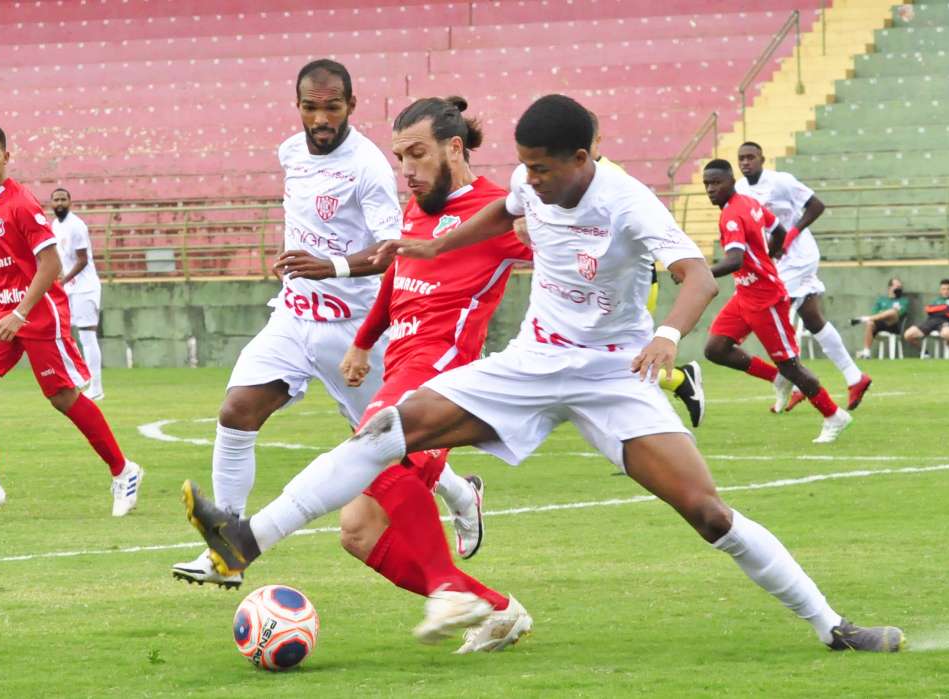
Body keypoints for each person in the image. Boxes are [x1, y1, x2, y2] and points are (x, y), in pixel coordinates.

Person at [181, 96, 902, 654]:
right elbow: (504, 209)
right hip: (530, 363)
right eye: (524, 165)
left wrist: (666, 335)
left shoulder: (625, 200)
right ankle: (247, 539)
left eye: (544, 167)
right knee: (385, 430)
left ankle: (833, 625)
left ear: (584, 157)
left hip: (612, 376)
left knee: (708, 512)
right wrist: (434, 246)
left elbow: (693, 275)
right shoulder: (533, 184)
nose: (530, 179)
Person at [171, 60, 481, 589]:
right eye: (310, 107)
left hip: (356, 329)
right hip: (294, 315)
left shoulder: (369, 166)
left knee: (392, 448)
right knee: (236, 411)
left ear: (351, 107)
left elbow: (392, 250)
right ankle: (223, 544)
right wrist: (299, 267)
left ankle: (460, 493)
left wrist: (329, 266)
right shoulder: (290, 153)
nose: (320, 118)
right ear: (297, 106)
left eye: (331, 107)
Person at [333, 95, 534, 648]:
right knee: (357, 532)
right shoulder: (418, 207)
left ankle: (449, 577)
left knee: (369, 453)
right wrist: (363, 341)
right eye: (400, 158)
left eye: (416, 155)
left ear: (453, 147)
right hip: (398, 368)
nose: (406, 171)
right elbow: (397, 276)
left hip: (441, 378)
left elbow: (565, 255)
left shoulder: (500, 210)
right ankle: (500, 609)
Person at [0, 122, 142, 516]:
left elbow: (50, 265)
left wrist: (20, 314)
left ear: (6, 157)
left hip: (38, 309)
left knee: (61, 396)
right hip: (2, 306)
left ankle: (124, 471)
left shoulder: (22, 203)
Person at [514, 109, 705, 427]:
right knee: (605, 362)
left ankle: (646, 430)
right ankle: (671, 393)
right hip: (586, 283)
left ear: (592, 144)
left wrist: (668, 335)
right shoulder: (555, 181)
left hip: (626, 284)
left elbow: (688, 266)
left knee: (618, 358)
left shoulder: (615, 183)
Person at [702, 159, 853, 444]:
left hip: (766, 299)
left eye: (716, 183)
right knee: (715, 348)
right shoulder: (749, 203)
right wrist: (769, 255)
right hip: (744, 295)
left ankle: (834, 415)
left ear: (731, 181)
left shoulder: (733, 215)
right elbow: (779, 230)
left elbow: (734, 260)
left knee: (791, 365)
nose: (710, 189)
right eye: (706, 185)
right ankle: (776, 378)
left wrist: (700, 272)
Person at [736, 142, 871, 412]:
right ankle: (854, 376)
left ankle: (797, 383)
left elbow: (817, 206)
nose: (746, 162)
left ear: (763, 158)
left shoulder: (781, 182)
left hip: (799, 256)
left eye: (751, 157)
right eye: (741, 158)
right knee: (811, 319)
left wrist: (792, 235)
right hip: (776, 260)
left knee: (775, 314)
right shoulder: (740, 189)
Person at [51, 188, 104, 400]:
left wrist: (61, 281)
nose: (60, 203)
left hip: (84, 288)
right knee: (63, 334)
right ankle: (77, 379)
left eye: (63, 199)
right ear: (52, 203)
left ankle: (97, 386)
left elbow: (82, 260)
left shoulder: (77, 226)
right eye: (56, 200)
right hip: (68, 288)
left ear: (70, 202)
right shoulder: (55, 226)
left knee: (87, 336)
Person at [850, 277, 908, 358]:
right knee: (870, 323)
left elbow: (900, 313)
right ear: (890, 288)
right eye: (897, 287)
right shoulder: (881, 300)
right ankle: (866, 352)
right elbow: (875, 313)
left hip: (894, 325)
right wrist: (882, 314)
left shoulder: (903, 300)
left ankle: (864, 318)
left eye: (900, 287)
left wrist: (884, 312)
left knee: (893, 311)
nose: (899, 289)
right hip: (880, 324)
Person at [904, 278, 949, 352]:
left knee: (948, 334)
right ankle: (924, 352)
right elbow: (928, 309)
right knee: (908, 335)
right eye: (943, 289)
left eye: (948, 289)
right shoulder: (937, 300)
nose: (945, 291)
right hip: (931, 322)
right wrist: (945, 308)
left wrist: (938, 309)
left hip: (945, 322)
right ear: (940, 290)